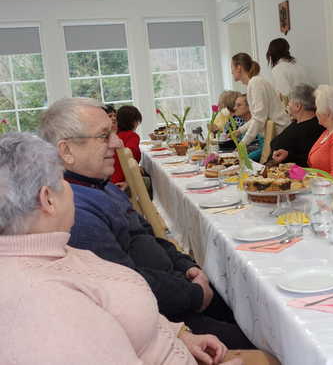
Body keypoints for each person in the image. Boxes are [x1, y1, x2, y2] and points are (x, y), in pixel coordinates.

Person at [0, 132, 243, 365]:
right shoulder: (44, 301)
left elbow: (122, 311)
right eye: (62, 179)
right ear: (48, 199)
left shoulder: (52, 250)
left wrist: (180, 336)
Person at [39, 97, 256, 350]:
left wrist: (187, 266)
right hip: (165, 318)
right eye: (104, 135)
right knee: (260, 340)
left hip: (178, 289)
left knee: (248, 306)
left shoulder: (101, 186)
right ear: (66, 151)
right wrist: (194, 294)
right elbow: (126, 287)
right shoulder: (76, 211)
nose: (118, 142)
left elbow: (150, 236)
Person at [231, 53, 290, 146]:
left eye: (232, 68)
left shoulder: (255, 83)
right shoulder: (254, 83)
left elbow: (259, 119)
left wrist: (243, 143)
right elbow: (257, 117)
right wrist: (239, 131)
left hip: (281, 135)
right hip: (276, 135)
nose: (231, 72)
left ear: (238, 68)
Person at [270, 83, 324, 167]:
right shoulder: (301, 122)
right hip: (282, 170)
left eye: (289, 102)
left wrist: (288, 156)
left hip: (298, 174)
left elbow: (306, 163)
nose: (287, 105)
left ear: (298, 106)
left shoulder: (309, 127)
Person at [111, 104, 142, 186]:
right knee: (151, 180)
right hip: (123, 181)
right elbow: (131, 156)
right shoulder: (132, 136)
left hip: (112, 180)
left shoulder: (116, 136)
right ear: (134, 122)